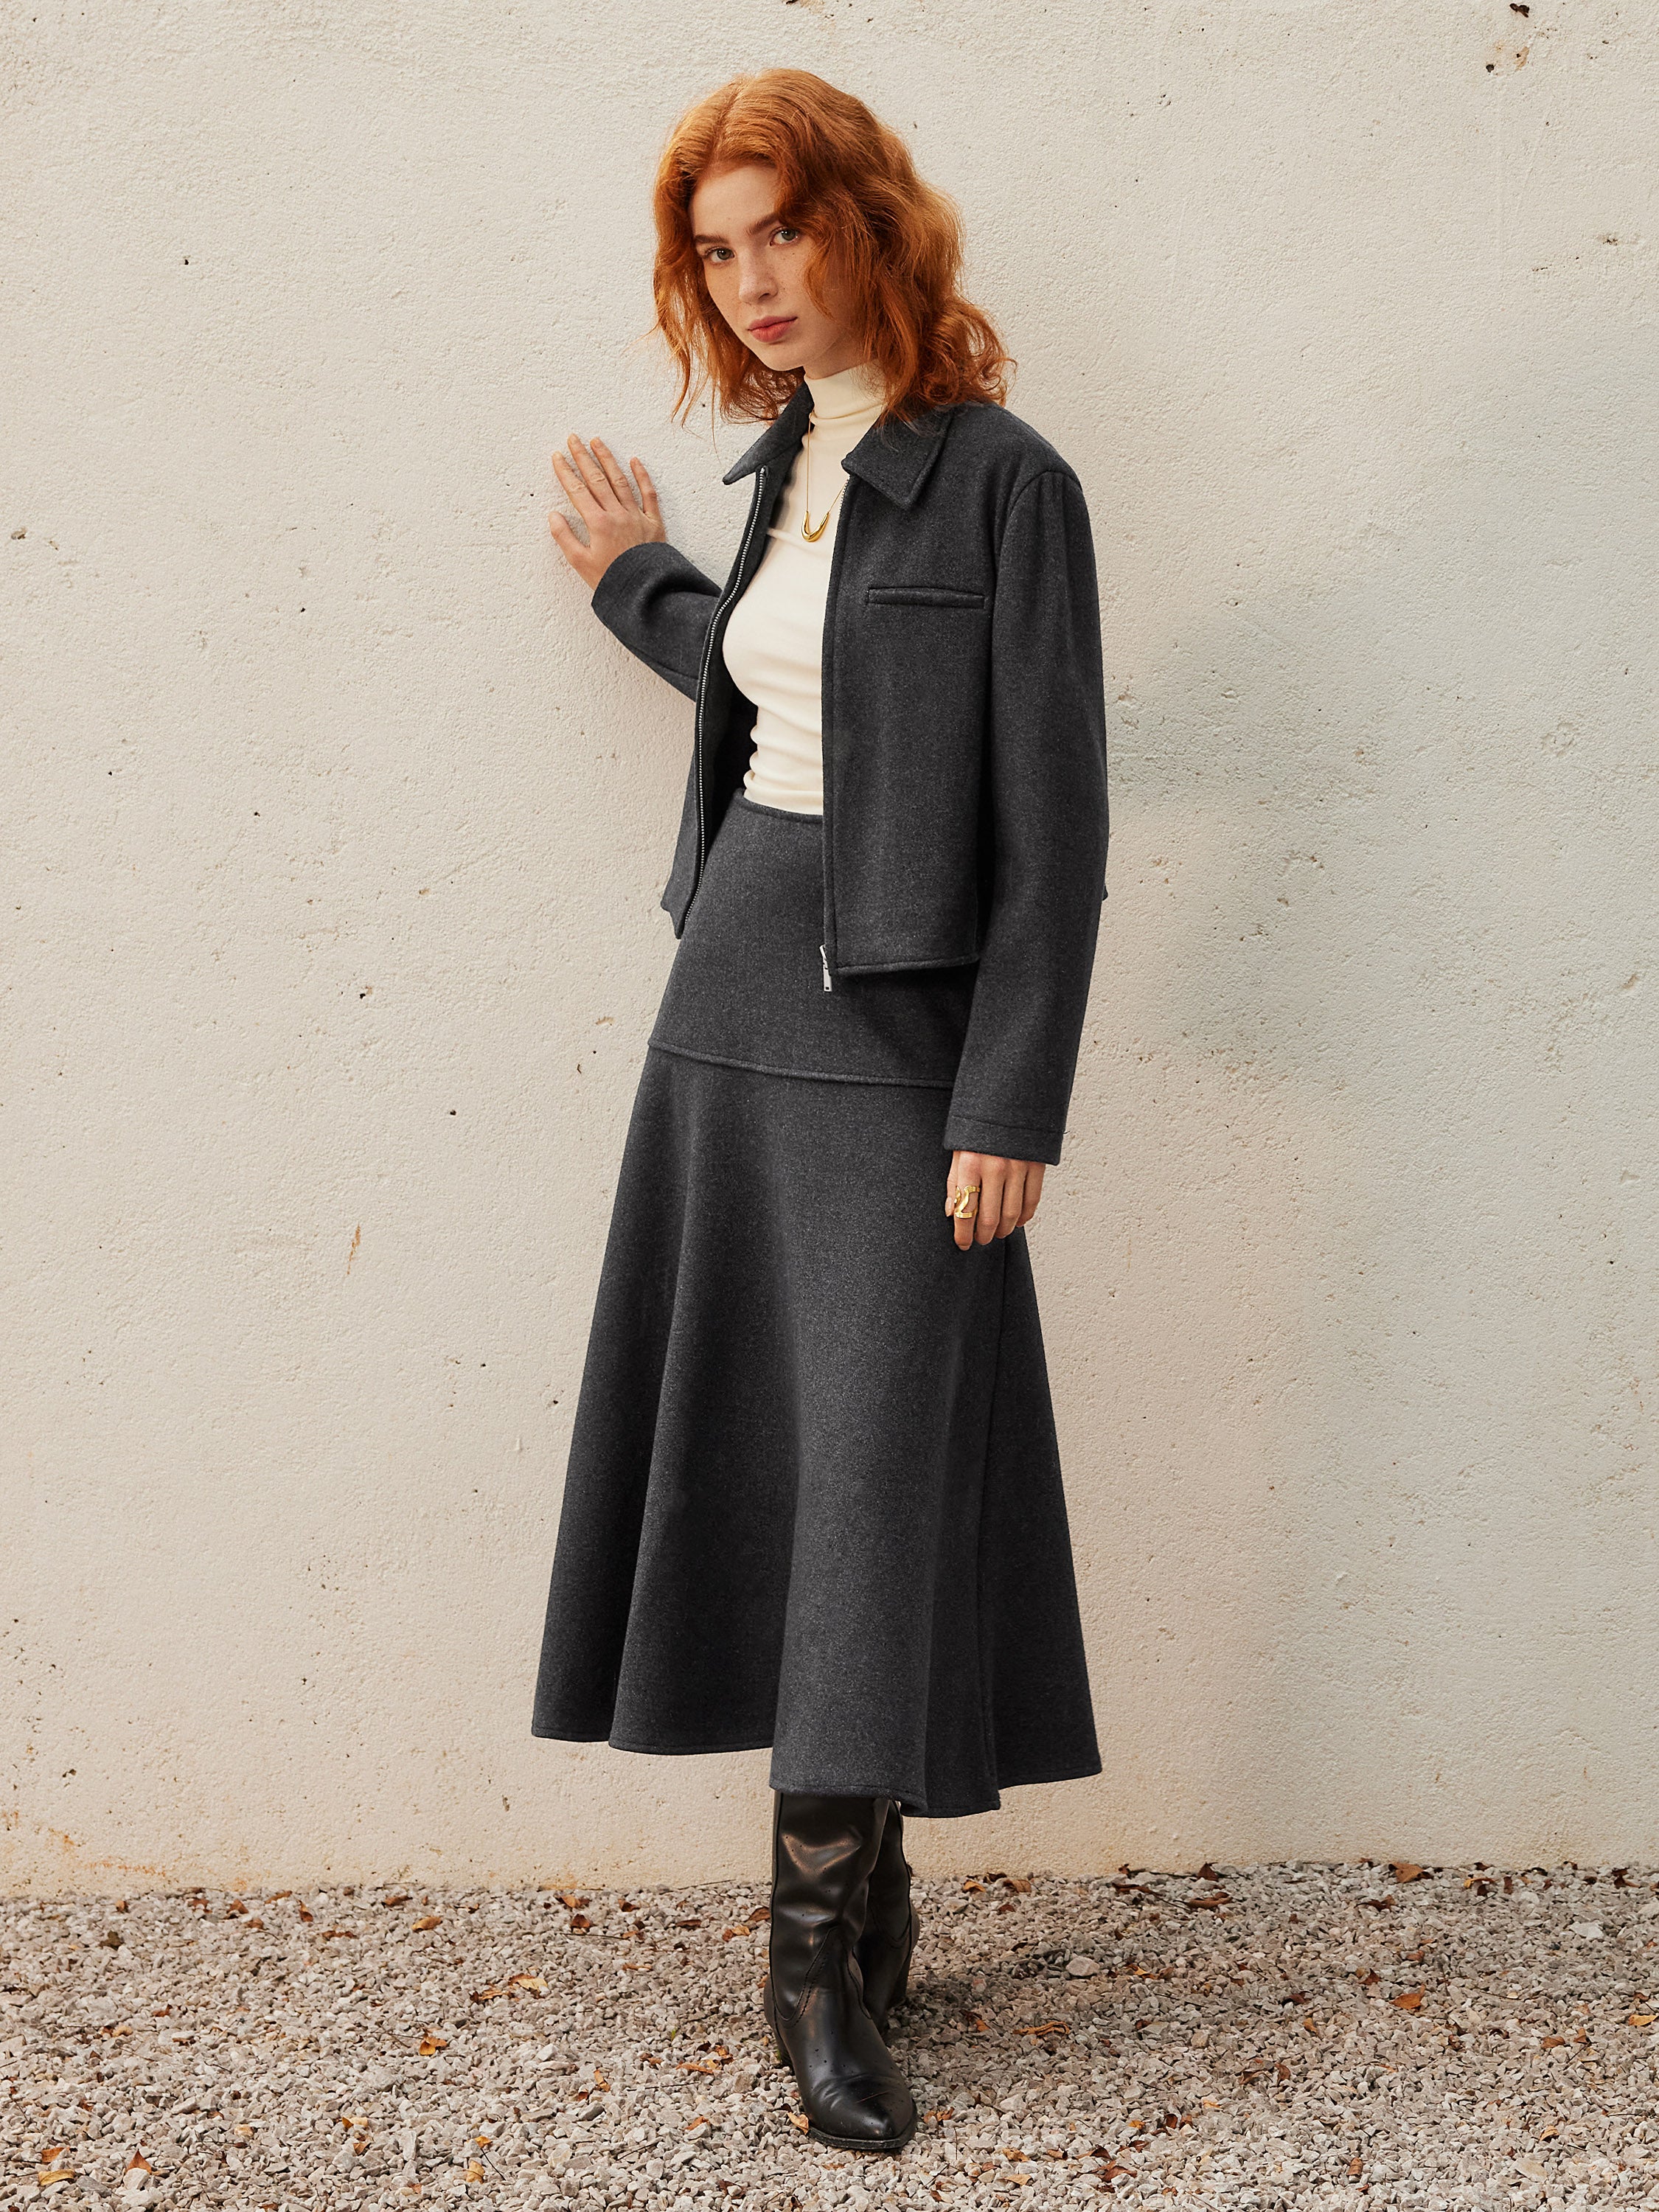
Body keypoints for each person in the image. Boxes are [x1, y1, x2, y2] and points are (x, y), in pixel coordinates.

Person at [532, 67, 1109, 2155]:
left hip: (900, 1037)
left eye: (784, 229)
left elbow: (1056, 824)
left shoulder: (1006, 483)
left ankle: (815, 1970)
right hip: (730, 997)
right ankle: (844, 1923)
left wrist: (1010, 1092)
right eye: (717, 251)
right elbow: (788, 683)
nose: (754, 280)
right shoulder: (786, 462)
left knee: (870, 1471)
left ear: (870, 221)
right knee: (784, 1461)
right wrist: (639, 581)